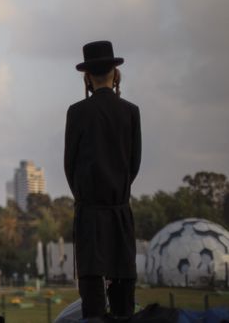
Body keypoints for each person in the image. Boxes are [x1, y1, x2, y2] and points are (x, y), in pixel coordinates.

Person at [64, 41, 141, 319]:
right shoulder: (131, 112)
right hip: (119, 210)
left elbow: (69, 165)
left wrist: (86, 196)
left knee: (92, 290)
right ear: (115, 74)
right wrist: (116, 192)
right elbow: (134, 164)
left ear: (87, 77)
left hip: (89, 213)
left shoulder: (77, 112)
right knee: (123, 289)